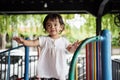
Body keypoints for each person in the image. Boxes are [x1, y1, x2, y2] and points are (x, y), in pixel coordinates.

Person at [13, 13, 80, 80]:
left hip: (60, 72)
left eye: (55, 25)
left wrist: (74, 47)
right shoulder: (44, 39)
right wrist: (23, 41)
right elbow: (33, 42)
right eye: (49, 25)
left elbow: (70, 50)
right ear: (45, 28)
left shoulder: (64, 41)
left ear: (61, 27)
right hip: (45, 72)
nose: (52, 27)